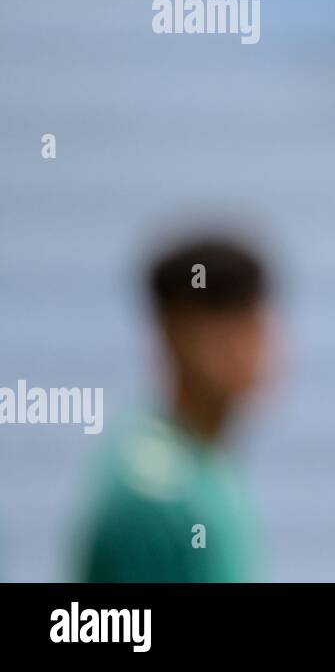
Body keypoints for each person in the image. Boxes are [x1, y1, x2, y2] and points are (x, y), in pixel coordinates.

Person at [77, 236, 274, 582]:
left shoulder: (207, 464)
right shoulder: (154, 492)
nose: (244, 342)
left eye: (252, 317)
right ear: (172, 332)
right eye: (221, 316)